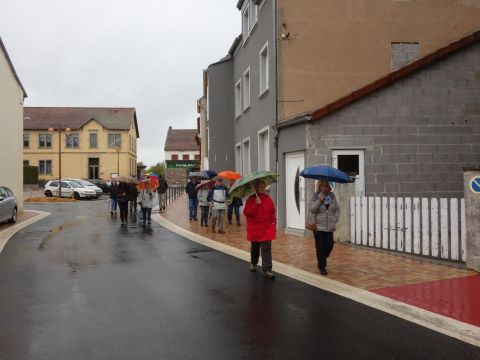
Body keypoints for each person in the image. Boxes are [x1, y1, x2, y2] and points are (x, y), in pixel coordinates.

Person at [243, 180, 276, 279]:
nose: (262, 188)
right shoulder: (251, 199)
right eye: (260, 186)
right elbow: (247, 213)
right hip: (255, 228)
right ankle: (253, 262)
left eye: (263, 186)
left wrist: (273, 223)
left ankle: (267, 269)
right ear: (256, 188)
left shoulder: (268, 199)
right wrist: (255, 204)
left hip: (266, 228)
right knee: (255, 247)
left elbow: (272, 212)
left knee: (266, 248)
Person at [308, 180, 340, 275]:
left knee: (330, 245)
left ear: (329, 187)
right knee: (320, 247)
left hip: (329, 226)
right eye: (323, 186)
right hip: (318, 226)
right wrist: (319, 200)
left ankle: (322, 257)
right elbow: (312, 209)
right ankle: (322, 266)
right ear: (319, 187)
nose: (325, 188)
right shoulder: (315, 196)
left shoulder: (332, 196)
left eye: (327, 186)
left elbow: (337, 209)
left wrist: (335, 219)